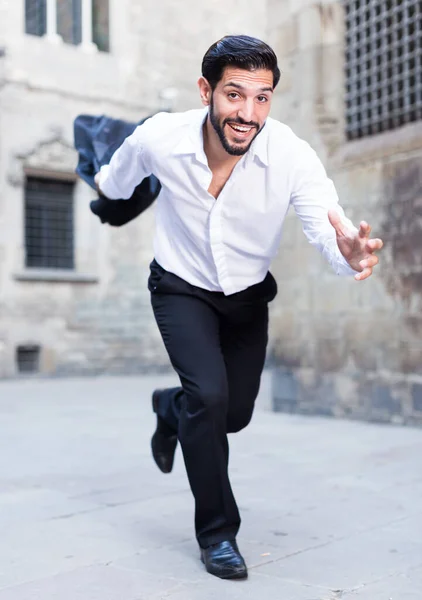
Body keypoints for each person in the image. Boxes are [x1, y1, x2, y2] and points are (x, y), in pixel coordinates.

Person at [95, 35, 383, 580]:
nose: (248, 112)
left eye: (262, 97)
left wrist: (346, 252)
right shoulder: (162, 138)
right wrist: (107, 185)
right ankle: (218, 534)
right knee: (209, 395)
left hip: (247, 297)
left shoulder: (290, 155)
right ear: (206, 91)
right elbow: (115, 179)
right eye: (234, 94)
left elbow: (327, 220)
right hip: (180, 286)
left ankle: (170, 408)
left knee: (233, 413)